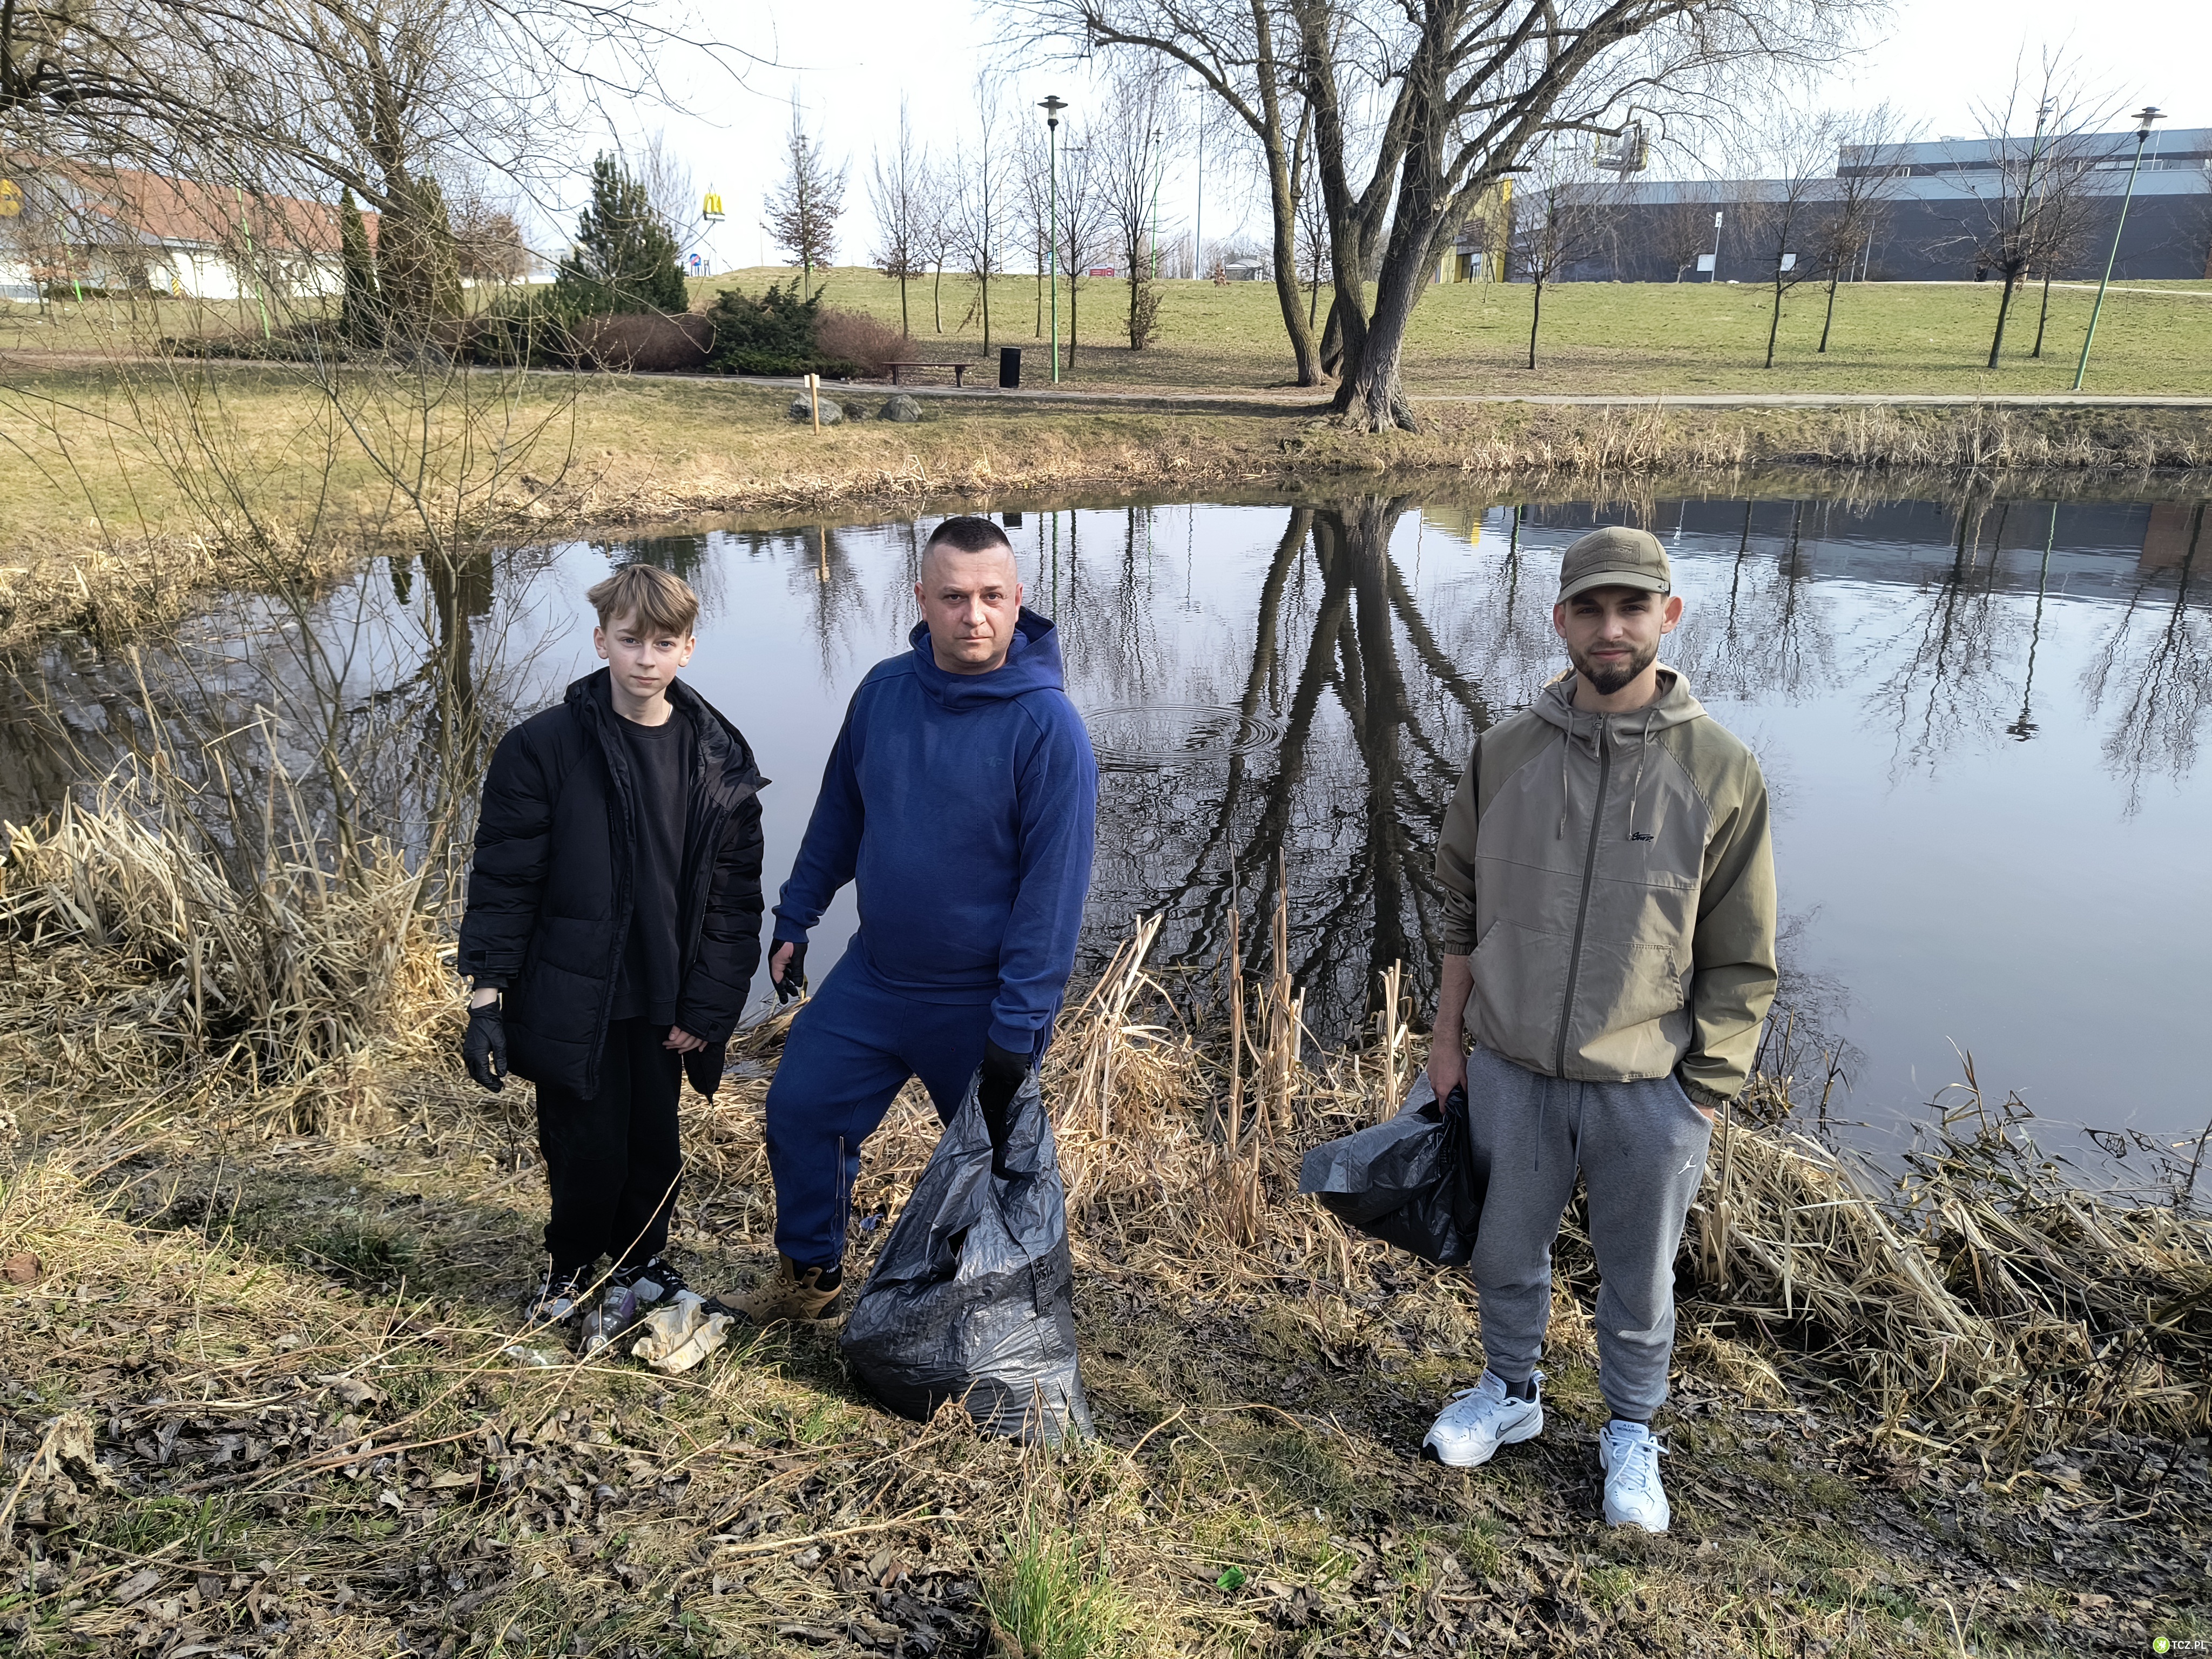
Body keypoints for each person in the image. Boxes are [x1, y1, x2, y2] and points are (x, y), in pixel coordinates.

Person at [1421, 524, 1776, 1534]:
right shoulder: (1506, 754)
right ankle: (1512, 1392)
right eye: (1591, 607)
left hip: (1649, 1088)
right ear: (1560, 619)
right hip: (1514, 1069)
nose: (1610, 628)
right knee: (1504, 1252)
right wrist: (1449, 1044)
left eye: (1633, 608)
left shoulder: (1721, 770)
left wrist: (1703, 1086)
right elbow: (1459, 908)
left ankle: (1631, 1429)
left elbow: (1745, 953)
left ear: (1669, 617)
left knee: (1638, 1278)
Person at [709, 515, 1097, 1325]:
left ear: (1019, 599)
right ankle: (808, 1283)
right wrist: (797, 915)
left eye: (993, 596)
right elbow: (840, 816)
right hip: (877, 979)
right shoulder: (884, 692)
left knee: (1001, 1168)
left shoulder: (1048, 729)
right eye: (954, 597)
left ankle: (1002, 1317)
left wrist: (1018, 1025)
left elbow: (1051, 897)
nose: (975, 616)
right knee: (802, 1110)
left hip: (982, 1001)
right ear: (920, 599)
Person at [456, 564, 766, 1327]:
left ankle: (642, 1266)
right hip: (574, 991)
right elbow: (505, 880)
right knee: (583, 1147)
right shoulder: (542, 749)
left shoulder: (718, 759)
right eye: (630, 641)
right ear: (602, 642)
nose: (646, 659)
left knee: (655, 1148)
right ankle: (566, 1271)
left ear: (689, 649)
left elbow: (734, 903)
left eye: (664, 643)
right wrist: (488, 999)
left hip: (668, 997)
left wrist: (713, 1005)